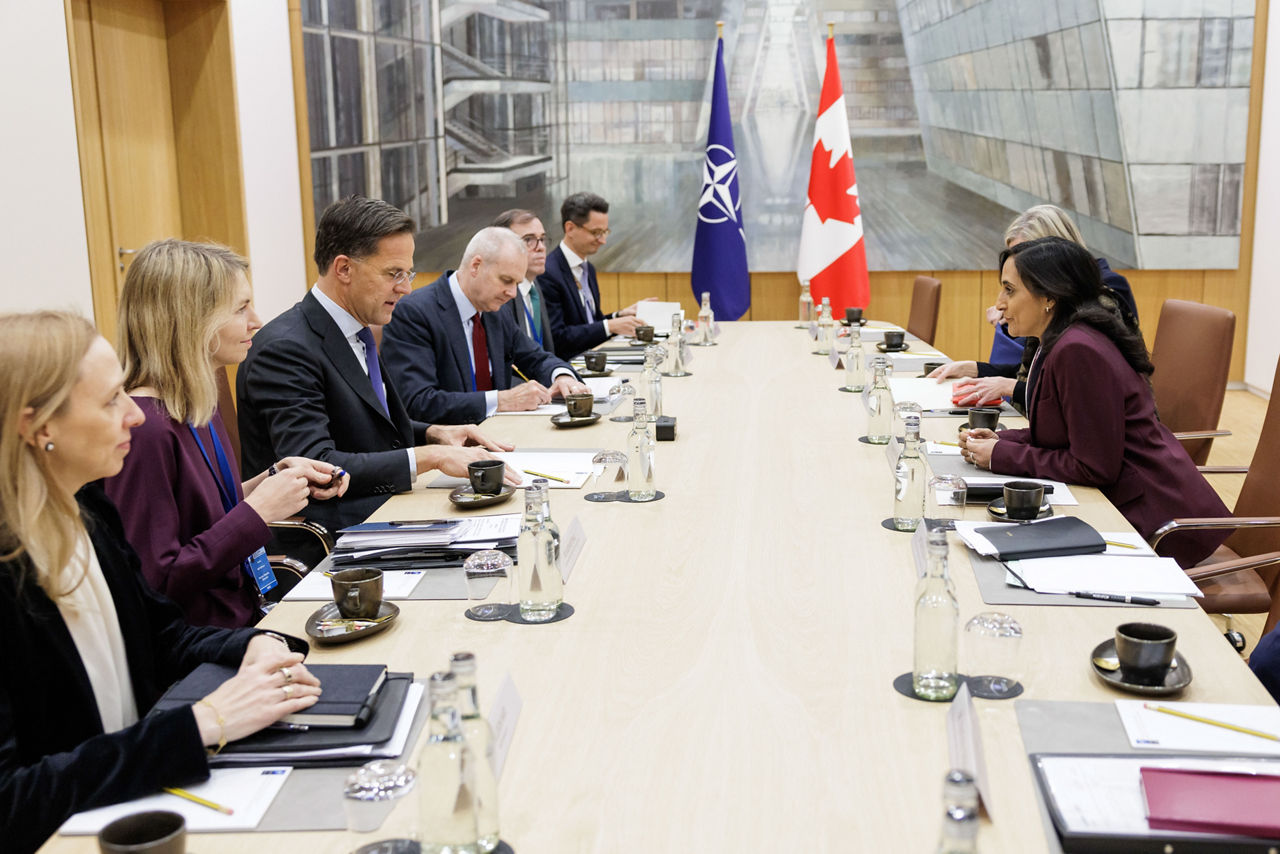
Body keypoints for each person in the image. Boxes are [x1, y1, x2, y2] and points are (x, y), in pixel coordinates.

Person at [0, 311, 322, 853]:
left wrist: (254, 644)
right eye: (110, 401)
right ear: (39, 429)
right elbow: (12, 801)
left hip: (137, 800)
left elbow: (161, 635)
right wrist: (203, 723)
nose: (133, 415)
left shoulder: (85, 505)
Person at [236, 196, 518, 533]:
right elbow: (317, 466)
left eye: (407, 273)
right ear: (344, 269)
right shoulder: (285, 349)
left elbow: (361, 428)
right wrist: (431, 456)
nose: (406, 288)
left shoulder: (356, 329)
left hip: (380, 507)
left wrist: (433, 433)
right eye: (393, 274)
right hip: (328, 532)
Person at [105, 239, 348, 627]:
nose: (256, 321)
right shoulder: (145, 429)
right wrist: (259, 511)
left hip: (243, 616)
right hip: (204, 640)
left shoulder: (196, 403)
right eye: (240, 308)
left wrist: (271, 480)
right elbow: (157, 583)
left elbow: (206, 516)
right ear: (190, 319)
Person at [958, 237, 1229, 568]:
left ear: (1049, 297)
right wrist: (1003, 440)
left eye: (1009, 290)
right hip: (1124, 508)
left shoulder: (1077, 350)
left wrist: (1002, 454)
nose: (999, 303)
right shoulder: (1058, 341)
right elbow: (1065, 433)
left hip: (1154, 527)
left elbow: (1093, 466)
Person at [931, 204, 1138, 412]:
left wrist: (1010, 387)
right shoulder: (1054, 312)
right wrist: (978, 370)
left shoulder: (1091, 314)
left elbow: (1072, 395)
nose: (1000, 304)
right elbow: (1039, 373)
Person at [381, 227, 588, 424]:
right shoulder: (414, 313)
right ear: (476, 266)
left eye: (517, 284)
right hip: (448, 442)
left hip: (502, 435)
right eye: (506, 280)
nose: (512, 294)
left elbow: (536, 357)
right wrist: (501, 401)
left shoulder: (496, 311)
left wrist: (562, 376)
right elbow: (417, 402)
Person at [537, 192, 655, 360]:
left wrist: (619, 316)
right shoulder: (548, 273)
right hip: (570, 364)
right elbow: (558, 337)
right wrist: (609, 325)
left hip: (595, 359)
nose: (602, 240)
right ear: (570, 228)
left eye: (605, 232)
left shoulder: (588, 269)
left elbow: (590, 323)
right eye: (596, 232)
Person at [493, 208, 556, 354]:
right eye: (528, 240)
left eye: (542, 239)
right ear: (502, 247)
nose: (540, 248)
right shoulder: (500, 296)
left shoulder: (535, 286)